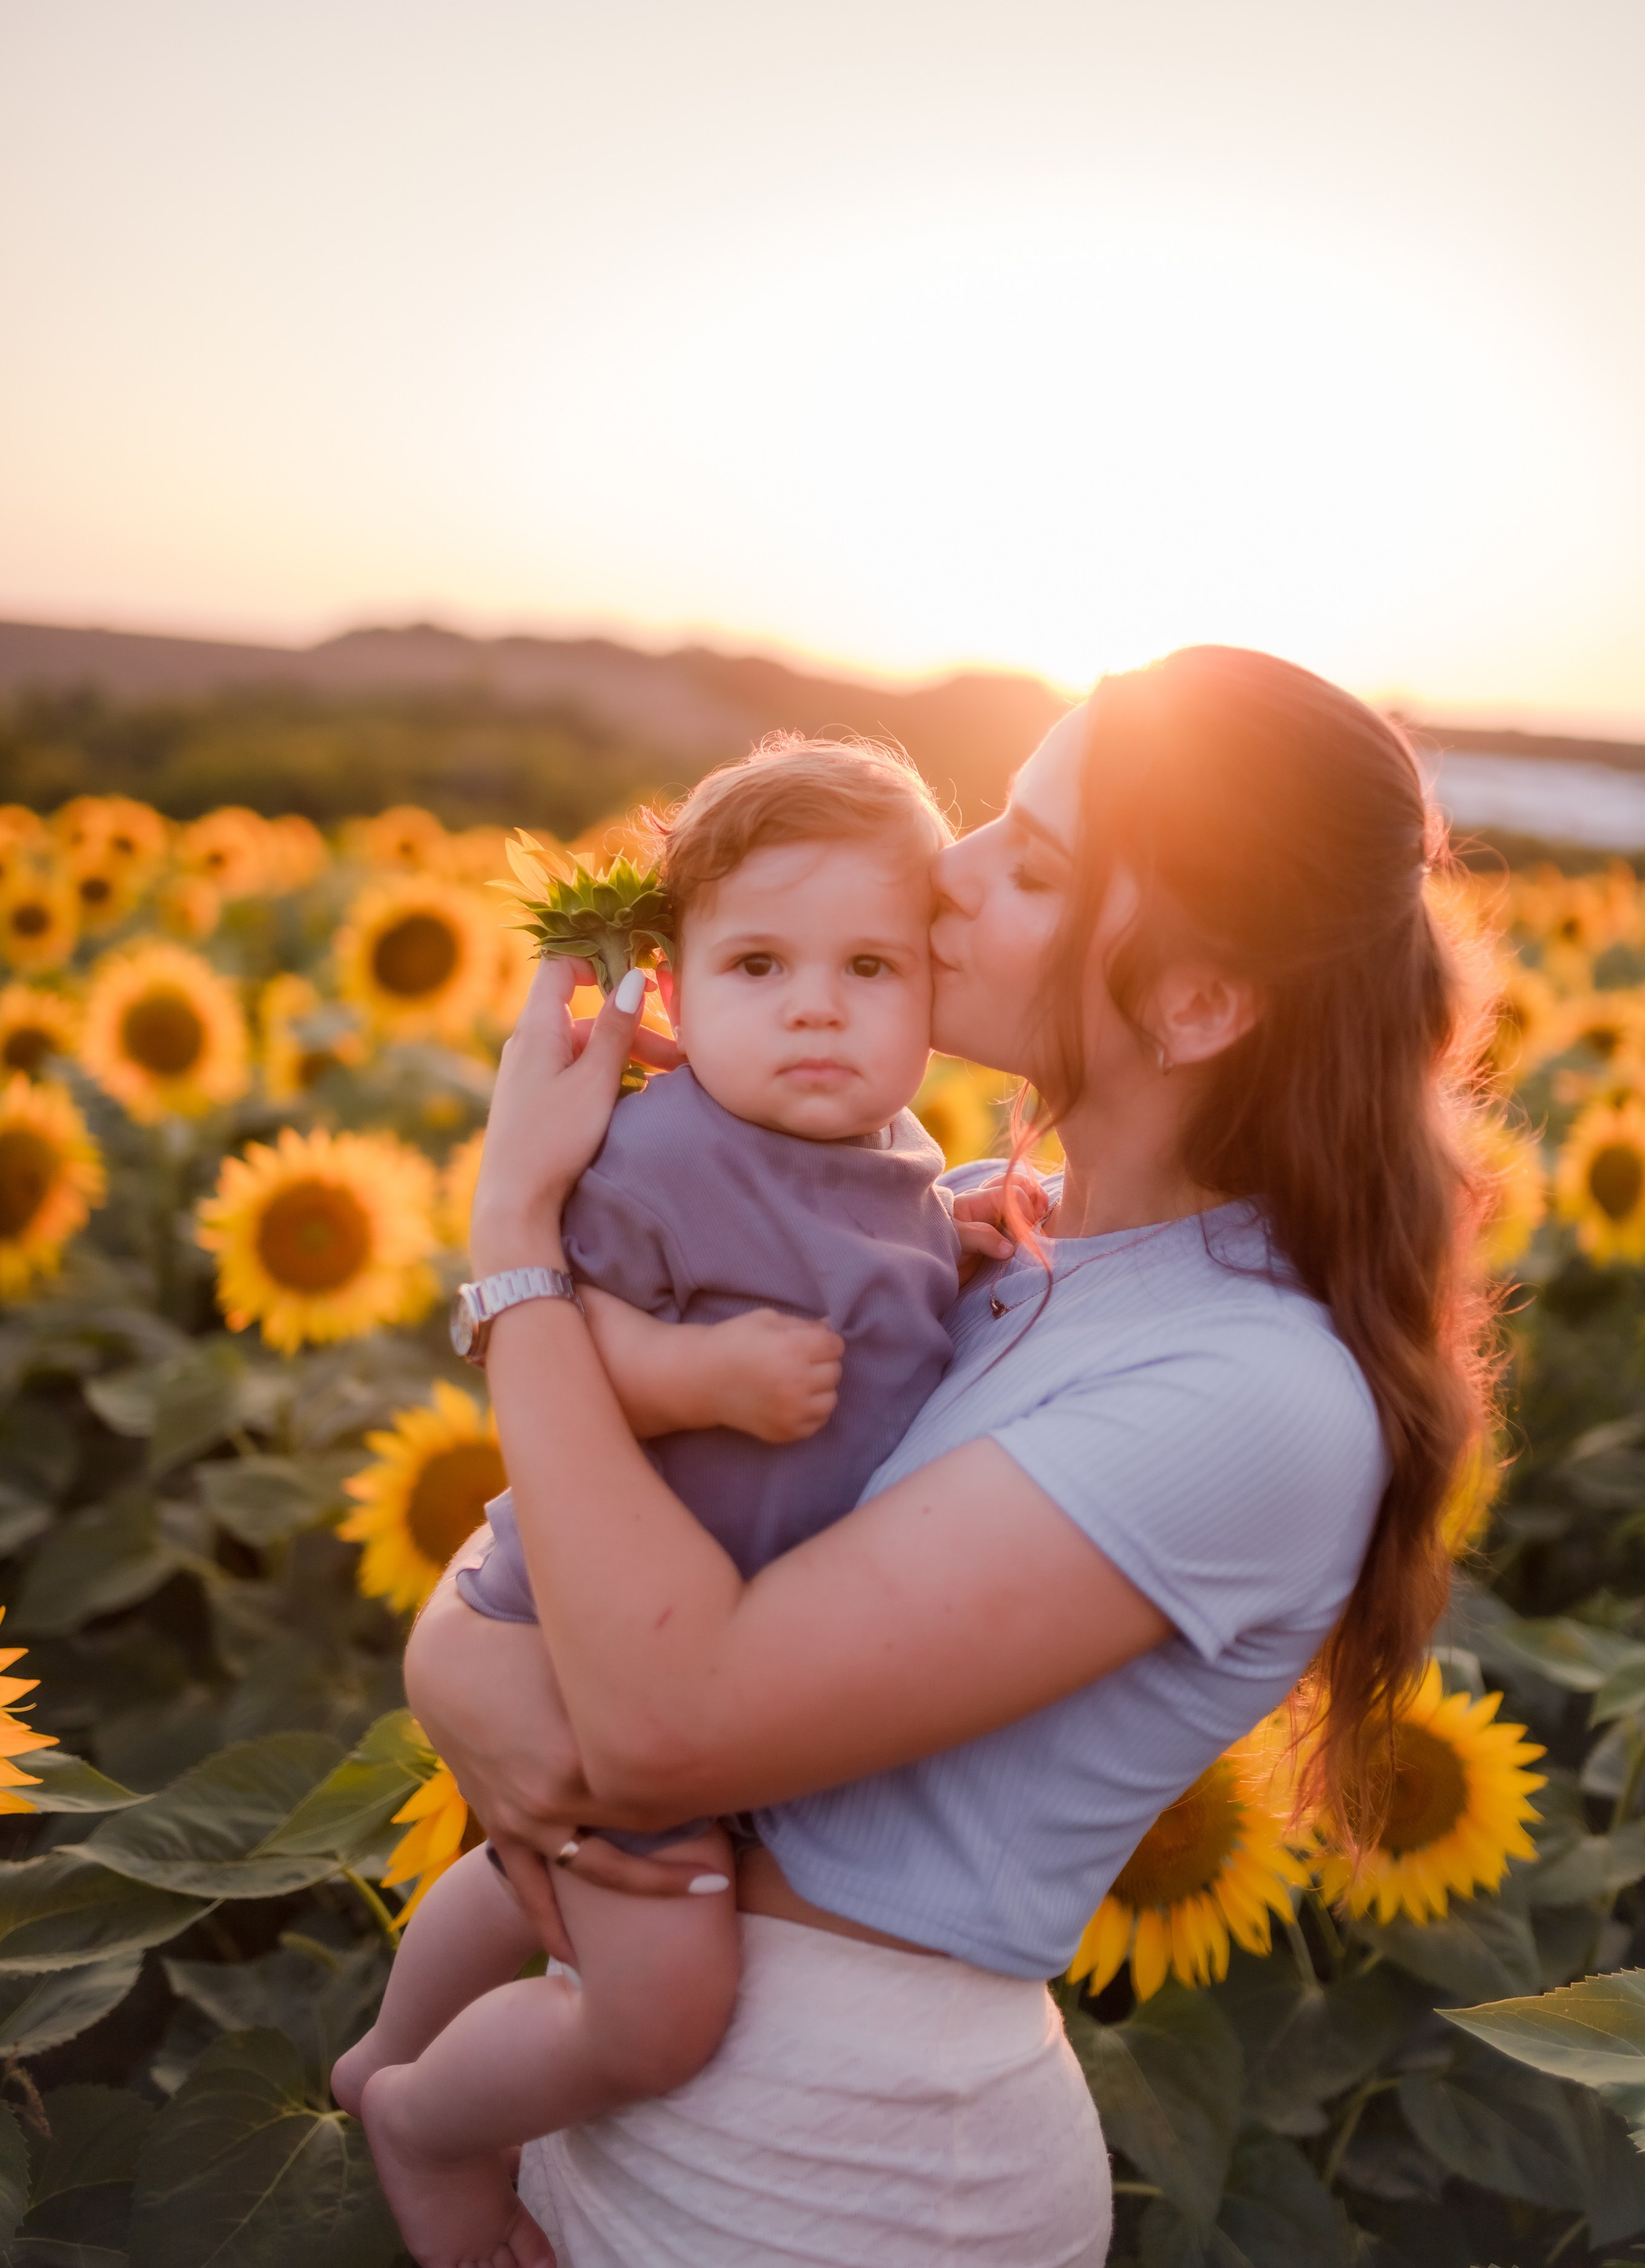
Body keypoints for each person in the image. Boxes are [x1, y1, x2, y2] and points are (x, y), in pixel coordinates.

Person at [404, 647, 1493, 2268]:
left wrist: (513, 1253)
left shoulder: (1247, 1394)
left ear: (1195, 1000)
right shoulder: (993, 1244)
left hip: (847, 2179)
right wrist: (458, 1665)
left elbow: (663, 1727)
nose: (949, 879)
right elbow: (586, 1570)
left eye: (1032, 865)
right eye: (991, 826)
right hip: (643, 2086)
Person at [339, 739, 1029, 2268]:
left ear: (932, 987)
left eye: (869, 965)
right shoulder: (661, 1152)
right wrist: (695, 1379)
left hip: (734, 1635)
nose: (813, 1006)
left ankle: (379, 2045)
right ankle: (427, 2121)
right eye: (758, 964)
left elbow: (880, 1293)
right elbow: (550, 1332)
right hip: (611, 1612)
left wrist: (961, 1241)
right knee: (655, 2009)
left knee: (516, 1857)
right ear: (668, 987)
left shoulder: (903, 1162)